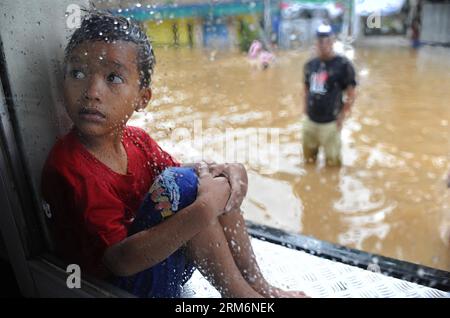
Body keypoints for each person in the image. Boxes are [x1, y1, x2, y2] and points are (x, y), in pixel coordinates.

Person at [41, 10, 307, 298]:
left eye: (113, 77)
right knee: (188, 188)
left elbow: (187, 179)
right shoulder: (69, 166)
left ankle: (260, 286)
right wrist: (205, 208)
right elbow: (119, 261)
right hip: (113, 287)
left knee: (210, 180)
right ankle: (241, 297)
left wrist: (226, 171)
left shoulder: (138, 141)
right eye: (78, 73)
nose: (92, 91)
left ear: (142, 98)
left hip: (158, 266)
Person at [302, 24, 357, 166]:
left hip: (331, 124)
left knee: (333, 165)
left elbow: (351, 94)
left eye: (327, 40)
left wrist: (342, 116)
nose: (323, 44)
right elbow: (305, 89)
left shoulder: (343, 65)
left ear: (333, 41)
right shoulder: (310, 64)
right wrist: (304, 111)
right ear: (316, 43)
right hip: (310, 122)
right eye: (320, 41)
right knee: (308, 161)